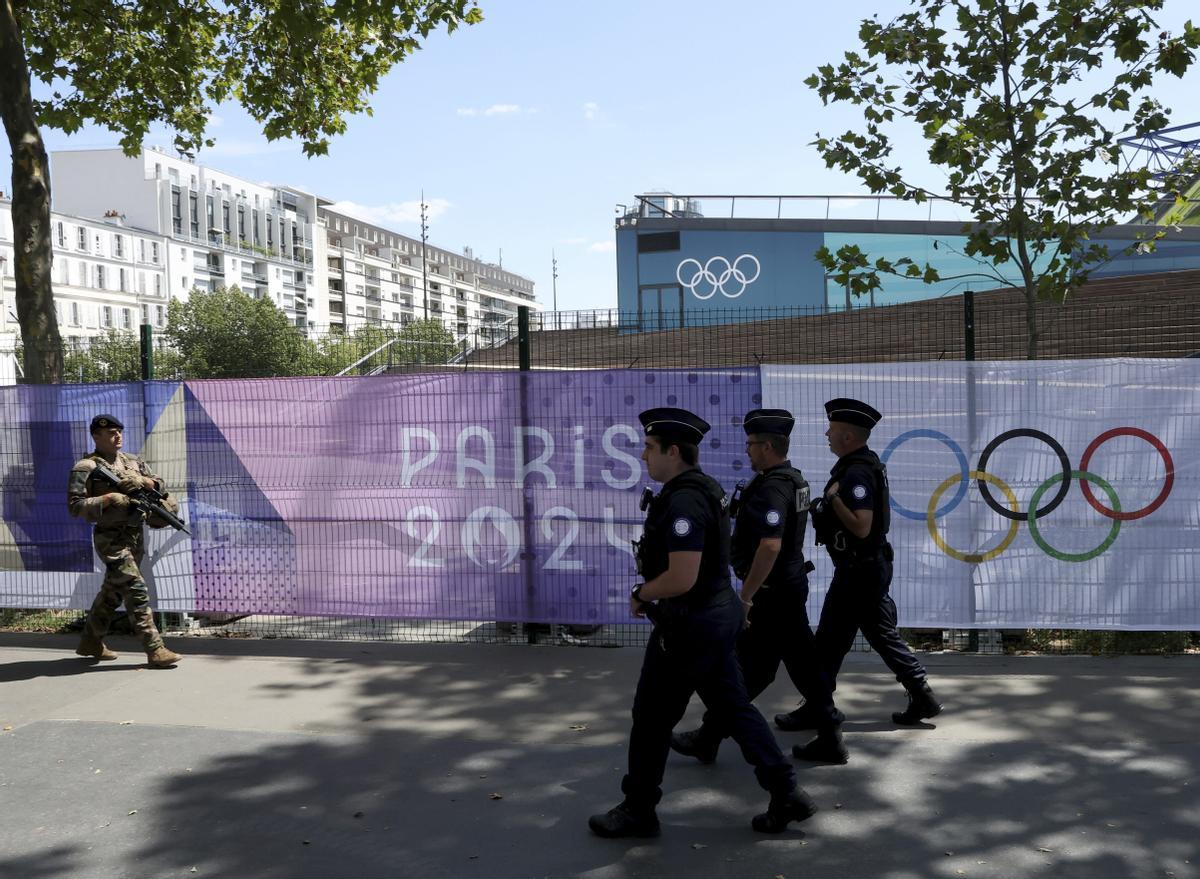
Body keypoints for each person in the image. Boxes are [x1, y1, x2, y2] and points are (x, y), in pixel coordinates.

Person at [588, 407, 818, 838]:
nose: (643, 456)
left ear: (673, 451)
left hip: (689, 627)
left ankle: (639, 808)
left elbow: (682, 576)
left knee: (652, 716)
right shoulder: (702, 489)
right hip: (711, 619)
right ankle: (787, 793)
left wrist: (642, 594)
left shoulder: (685, 500)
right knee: (734, 707)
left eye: (650, 448)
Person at [670, 408, 848, 766]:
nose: (747, 451)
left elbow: (770, 546)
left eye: (751, 445)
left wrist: (747, 596)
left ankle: (711, 735)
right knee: (794, 666)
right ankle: (828, 735)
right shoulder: (791, 480)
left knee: (749, 670)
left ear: (767, 446)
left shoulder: (774, 488)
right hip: (787, 588)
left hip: (772, 594)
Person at [777, 398, 940, 727]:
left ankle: (818, 708)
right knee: (878, 634)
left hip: (859, 571)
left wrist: (834, 499)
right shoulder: (859, 466)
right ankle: (921, 695)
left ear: (848, 436)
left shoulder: (856, 473)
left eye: (832, 429)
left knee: (828, 642)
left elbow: (861, 525)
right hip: (865, 568)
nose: (827, 433)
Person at [68, 414, 183, 668]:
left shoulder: (133, 462)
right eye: (110, 432)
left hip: (135, 536)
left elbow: (160, 485)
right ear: (96, 436)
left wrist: (145, 481)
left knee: (112, 593)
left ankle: (91, 641)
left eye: (119, 431)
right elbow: (75, 507)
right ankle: (155, 649)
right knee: (135, 588)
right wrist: (109, 499)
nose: (117, 436)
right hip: (110, 538)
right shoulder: (86, 467)